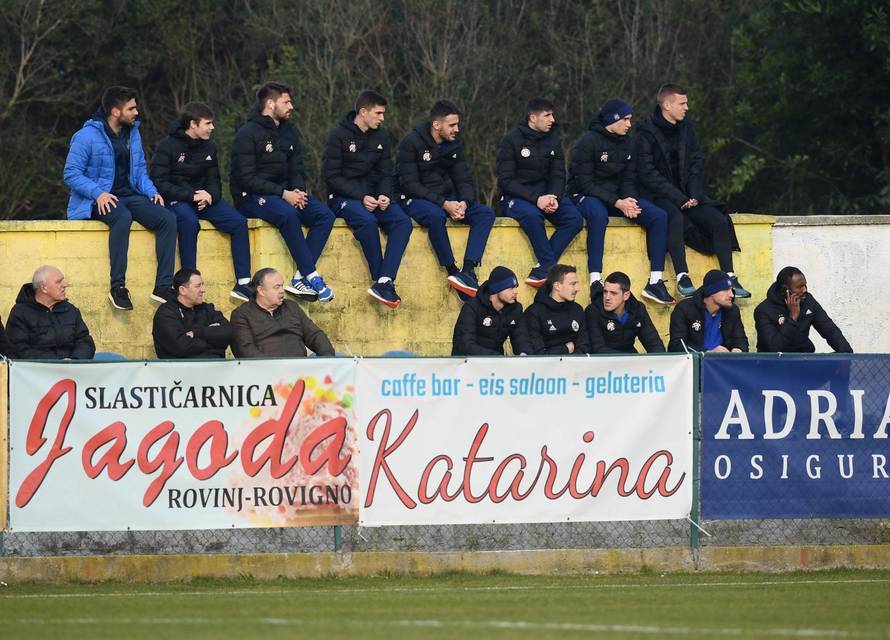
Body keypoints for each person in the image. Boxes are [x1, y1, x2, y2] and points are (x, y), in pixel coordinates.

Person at [63, 86, 177, 310]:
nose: (136, 112)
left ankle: (163, 287)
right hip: (96, 199)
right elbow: (71, 173)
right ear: (115, 112)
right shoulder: (86, 136)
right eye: (131, 108)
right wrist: (98, 193)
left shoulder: (132, 133)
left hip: (129, 195)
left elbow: (140, 171)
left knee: (167, 219)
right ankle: (118, 288)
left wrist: (152, 191)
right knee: (122, 218)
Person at [635, 84, 750, 299]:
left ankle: (730, 277)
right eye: (682, 103)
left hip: (689, 195)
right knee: (675, 218)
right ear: (667, 105)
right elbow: (647, 173)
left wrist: (695, 194)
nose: (687, 107)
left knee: (718, 220)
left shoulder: (686, 128)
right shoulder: (645, 131)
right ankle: (682, 277)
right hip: (659, 196)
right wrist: (679, 198)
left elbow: (697, 161)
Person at [230, 81, 335, 302]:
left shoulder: (290, 131)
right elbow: (247, 179)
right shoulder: (247, 133)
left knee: (324, 215)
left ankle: (299, 278)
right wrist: (283, 194)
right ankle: (312, 275)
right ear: (270, 104)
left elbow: (297, 168)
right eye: (286, 101)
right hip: (251, 196)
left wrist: (297, 191)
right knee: (288, 215)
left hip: (284, 194)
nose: (291, 106)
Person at [569, 98, 674, 305]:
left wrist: (629, 200)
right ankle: (596, 281)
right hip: (584, 195)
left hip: (616, 198)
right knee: (598, 216)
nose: (629, 124)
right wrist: (618, 202)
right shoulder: (587, 142)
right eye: (625, 119)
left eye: (630, 119)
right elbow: (585, 183)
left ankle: (655, 282)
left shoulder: (629, 142)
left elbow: (628, 179)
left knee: (659, 216)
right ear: (612, 119)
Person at [151, 101, 253, 301]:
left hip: (204, 199)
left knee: (239, 222)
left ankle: (243, 283)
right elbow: (159, 182)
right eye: (208, 123)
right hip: (179, 199)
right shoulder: (167, 146)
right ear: (192, 124)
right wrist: (190, 195)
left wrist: (210, 196)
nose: (212, 128)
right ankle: (190, 282)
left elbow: (214, 179)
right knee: (189, 223)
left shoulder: (210, 147)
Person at [395, 100, 495, 300]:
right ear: (437, 125)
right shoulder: (411, 142)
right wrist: (444, 204)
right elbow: (410, 185)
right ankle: (452, 270)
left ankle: (468, 271)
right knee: (435, 216)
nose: (457, 129)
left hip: (445, 200)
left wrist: (463, 203)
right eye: (452, 125)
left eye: (457, 124)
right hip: (415, 199)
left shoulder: (454, 145)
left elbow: (464, 179)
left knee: (485, 213)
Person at [323, 90, 413, 308]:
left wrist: (383, 194)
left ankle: (384, 281)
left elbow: (385, 172)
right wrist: (361, 196)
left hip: (373, 197)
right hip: (344, 198)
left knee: (402, 222)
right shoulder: (338, 136)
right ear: (363, 112)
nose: (382, 118)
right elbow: (332, 176)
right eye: (379, 113)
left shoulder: (382, 136)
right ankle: (378, 277)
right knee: (368, 222)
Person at [496, 97, 583, 287]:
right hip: (517, 197)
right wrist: (537, 199)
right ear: (533, 118)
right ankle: (551, 268)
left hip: (548, 196)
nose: (552, 119)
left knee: (574, 219)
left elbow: (559, 175)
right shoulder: (510, 140)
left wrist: (554, 197)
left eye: (552, 115)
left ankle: (543, 269)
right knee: (533, 216)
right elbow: (506, 181)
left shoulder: (553, 140)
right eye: (547, 115)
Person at [230, 267, 335, 358]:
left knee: (339, 358)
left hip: (300, 370)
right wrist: (275, 368)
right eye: (277, 287)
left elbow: (314, 335)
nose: (282, 291)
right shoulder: (242, 315)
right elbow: (245, 350)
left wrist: (328, 358)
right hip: (267, 374)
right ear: (261, 291)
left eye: (282, 285)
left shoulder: (291, 307)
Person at [754, 266, 852, 353]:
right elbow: (774, 348)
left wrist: (847, 354)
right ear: (785, 290)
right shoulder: (764, 310)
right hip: (775, 365)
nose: (805, 290)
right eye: (800, 287)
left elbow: (830, 330)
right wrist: (792, 317)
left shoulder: (808, 301)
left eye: (805, 285)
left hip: (803, 359)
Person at [6, 265, 96, 359]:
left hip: (72, 370)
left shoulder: (71, 311)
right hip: (37, 371)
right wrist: (56, 363)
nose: (65, 284)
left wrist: (74, 360)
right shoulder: (20, 313)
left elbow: (85, 342)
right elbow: (18, 349)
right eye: (59, 282)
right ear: (44, 288)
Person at [452, 266, 532, 356]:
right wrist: (495, 358)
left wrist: (524, 354)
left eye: (516, 287)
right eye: (511, 288)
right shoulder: (472, 307)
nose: (516, 291)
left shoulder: (516, 309)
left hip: (496, 364)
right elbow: (465, 345)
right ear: (497, 289)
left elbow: (521, 338)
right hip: (468, 364)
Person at [152, 268, 232, 358]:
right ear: (182, 290)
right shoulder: (166, 313)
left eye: (202, 285)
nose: (203, 290)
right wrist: (215, 344)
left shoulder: (207, 309)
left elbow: (229, 333)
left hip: (216, 368)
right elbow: (181, 347)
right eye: (198, 286)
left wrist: (197, 332)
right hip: (179, 370)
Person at [668, 269, 748, 352]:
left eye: (731, 290)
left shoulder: (732, 311)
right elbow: (677, 345)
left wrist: (738, 350)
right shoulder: (684, 309)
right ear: (712, 291)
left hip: (723, 363)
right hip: (693, 363)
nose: (731, 294)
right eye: (725, 290)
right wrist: (707, 353)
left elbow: (741, 340)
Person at [586, 272, 665, 353]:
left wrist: (661, 361)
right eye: (605, 292)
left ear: (626, 295)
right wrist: (629, 360)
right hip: (604, 362)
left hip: (630, 361)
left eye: (613, 293)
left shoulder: (638, 309)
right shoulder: (593, 311)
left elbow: (653, 342)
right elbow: (598, 349)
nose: (607, 297)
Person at [523, 264, 591, 355]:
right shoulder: (534, 313)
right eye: (573, 284)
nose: (577, 289)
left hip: (575, 367)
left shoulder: (577, 310)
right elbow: (538, 354)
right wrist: (566, 348)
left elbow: (584, 347)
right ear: (557, 286)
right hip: (546, 368)